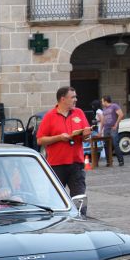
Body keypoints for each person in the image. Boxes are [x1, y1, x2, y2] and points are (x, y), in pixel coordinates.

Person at [36, 86, 91, 214]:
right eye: (72, 97)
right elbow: (40, 140)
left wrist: (86, 135)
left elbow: (86, 138)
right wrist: (59, 138)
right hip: (57, 165)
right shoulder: (50, 116)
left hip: (76, 163)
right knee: (55, 199)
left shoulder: (79, 113)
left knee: (79, 199)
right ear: (62, 99)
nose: (76, 100)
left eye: (75, 97)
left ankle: (80, 223)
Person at [101, 95, 125, 166]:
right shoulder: (104, 109)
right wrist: (100, 131)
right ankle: (109, 161)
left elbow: (121, 114)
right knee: (106, 145)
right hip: (106, 128)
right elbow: (103, 120)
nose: (102, 103)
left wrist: (116, 124)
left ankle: (121, 161)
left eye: (102, 101)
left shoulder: (114, 106)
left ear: (105, 101)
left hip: (113, 128)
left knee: (115, 143)